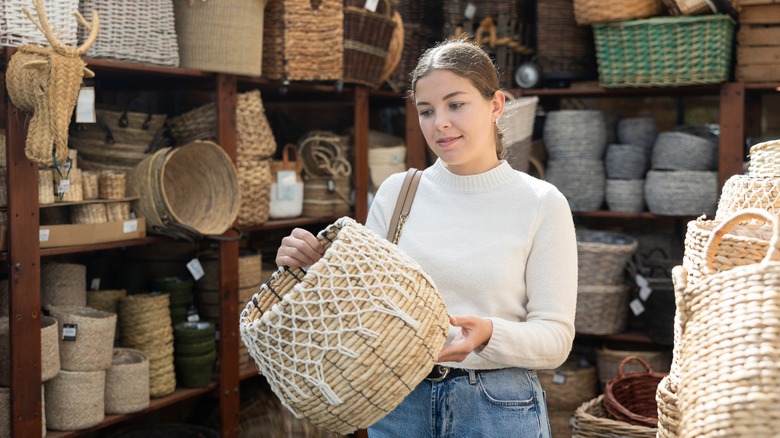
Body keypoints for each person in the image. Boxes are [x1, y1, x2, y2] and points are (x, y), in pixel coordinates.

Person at [275, 38, 578, 438]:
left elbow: (556, 339)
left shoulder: (540, 203)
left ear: (496, 106)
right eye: (426, 110)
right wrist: (317, 270)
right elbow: (365, 306)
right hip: (399, 402)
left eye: (456, 104)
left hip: (496, 407)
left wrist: (489, 334)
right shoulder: (399, 193)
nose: (440, 123)